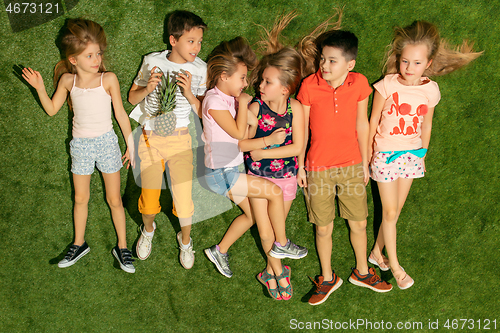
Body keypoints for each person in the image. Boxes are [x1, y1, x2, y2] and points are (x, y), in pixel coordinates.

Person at [368, 20, 482, 289]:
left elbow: (427, 124)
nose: (409, 68)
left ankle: (376, 252)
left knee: (394, 214)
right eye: (405, 61)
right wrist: (368, 155)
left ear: (428, 63)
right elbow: (372, 121)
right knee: (391, 210)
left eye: (417, 63)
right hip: (384, 155)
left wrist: (422, 153)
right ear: (399, 59)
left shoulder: (430, 90)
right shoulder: (386, 85)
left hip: (411, 155)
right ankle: (395, 268)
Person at [22, 18, 135, 273]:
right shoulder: (67, 81)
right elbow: (52, 110)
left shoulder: (109, 79)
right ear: (73, 59)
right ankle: (79, 243)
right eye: (89, 55)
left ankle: (123, 247)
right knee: (80, 198)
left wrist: (131, 145)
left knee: (114, 198)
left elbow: (121, 114)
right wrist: (40, 88)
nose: (96, 60)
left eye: (98, 54)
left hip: (107, 143)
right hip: (81, 146)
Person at [201, 37, 307, 300]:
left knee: (264, 221)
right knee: (265, 229)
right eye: (256, 79)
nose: (257, 85)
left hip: (283, 175)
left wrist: (264, 150)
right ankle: (280, 269)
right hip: (247, 174)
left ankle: (266, 270)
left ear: (285, 89)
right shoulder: (251, 106)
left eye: (266, 82)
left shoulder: (295, 108)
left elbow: (296, 147)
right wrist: (263, 143)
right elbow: (246, 143)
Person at [297, 29, 393, 306]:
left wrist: (365, 162)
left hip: (352, 165)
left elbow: (362, 124)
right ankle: (327, 278)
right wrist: (301, 165)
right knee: (323, 227)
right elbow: (301, 129)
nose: (323, 66)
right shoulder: (308, 86)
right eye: (322, 60)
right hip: (317, 168)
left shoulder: (360, 83)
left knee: (359, 223)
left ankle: (362, 272)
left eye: (331, 61)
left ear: (349, 64)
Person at [128, 10, 207, 269]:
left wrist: (188, 92)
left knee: (184, 202)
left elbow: (204, 112)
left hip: (181, 140)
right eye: (191, 41)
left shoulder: (200, 70)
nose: (196, 47)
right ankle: (148, 229)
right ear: (173, 40)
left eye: (199, 42)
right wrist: (148, 88)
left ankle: (185, 240)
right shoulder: (152, 61)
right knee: (149, 203)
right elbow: (131, 98)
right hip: (150, 138)